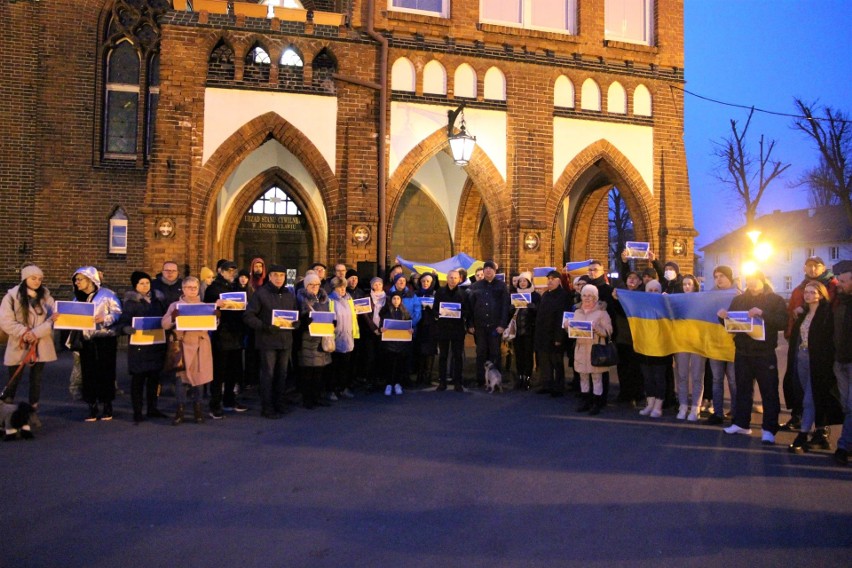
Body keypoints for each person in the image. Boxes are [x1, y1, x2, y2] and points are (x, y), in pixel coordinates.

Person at [719, 271, 787, 444]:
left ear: (762, 280)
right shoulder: (739, 299)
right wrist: (724, 318)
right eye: (748, 279)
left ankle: (769, 429)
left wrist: (762, 313)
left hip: (764, 353)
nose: (750, 282)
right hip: (742, 352)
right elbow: (733, 325)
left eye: (754, 279)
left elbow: (782, 322)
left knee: (769, 391)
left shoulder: (775, 299)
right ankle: (741, 423)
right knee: (743, 390)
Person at [781, 256, 839, 432]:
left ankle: (821, 430)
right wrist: (789, 331)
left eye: (816, 266)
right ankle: (798, 418)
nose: (812, 269)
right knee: (797, 383)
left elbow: (833, 314)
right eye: (809, 266)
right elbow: (791, 310)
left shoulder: (832, 285)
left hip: (821, 346)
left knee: (819, 389)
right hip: (799, 343)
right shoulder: (800, 287)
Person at [786, 280, 844, 453]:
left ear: (821, 294)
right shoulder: (802, 314)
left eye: (813, 292)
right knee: (808, 395)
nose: (808, 295)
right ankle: (820, 433)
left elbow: (829, 340)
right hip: (801, 358)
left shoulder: (826, 313)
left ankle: (802, 435)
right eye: (807, 292)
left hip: (818, 361)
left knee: (809, 399)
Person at [0, 264, 56, 428]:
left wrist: (36, 333)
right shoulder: (11, 297)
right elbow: (6, 321)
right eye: (33, 278)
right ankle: (5, 414)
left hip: (41, 343)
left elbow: (53, 319)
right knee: (13, 379)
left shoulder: (46, 297)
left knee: (36, 380)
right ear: (25, 278)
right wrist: (25, 333)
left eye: (40, 279)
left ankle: (32, 413)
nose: (37, 281)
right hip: (19, 342)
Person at [243, 264, 299, 419]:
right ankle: (267, 407)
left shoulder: (289, 294)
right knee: (268, 374)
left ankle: (279, 403)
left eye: (281, 275)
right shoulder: (261, 293)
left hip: (285, 340)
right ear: (270, 276)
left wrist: (297, 323)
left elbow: (295, 314)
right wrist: (265, 327)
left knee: (282, 374)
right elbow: (249, 316)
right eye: (275, 275)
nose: (279, 278)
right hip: (267, 341)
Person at [71, 266, 122, 422]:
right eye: (76, 280)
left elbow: (117, 311)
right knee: (89, 373)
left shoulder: (107, 294)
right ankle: (92, 405)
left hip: (105, 338)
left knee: (106, 371)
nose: (77, 283)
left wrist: (105, 319)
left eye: (80, 279)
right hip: (87, 340)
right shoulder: (77, 298)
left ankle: (107, 405)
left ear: (90, 279)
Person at [118, 271, 168, 423]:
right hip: (139, 346)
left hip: (156, 344)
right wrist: (126, 328)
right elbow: (124, 321)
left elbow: (165, 316)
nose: (145, 286)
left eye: (147, 282)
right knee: (138, 380)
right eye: (141, 283)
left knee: (154, 379)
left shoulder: (158, 299)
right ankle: (137, 411)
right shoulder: (130, 302)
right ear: (135, 286)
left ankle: (152, 408)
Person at [162, 276, 213, 425]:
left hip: (200, 345)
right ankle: (180, 409)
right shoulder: (175, 305)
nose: (192, 290)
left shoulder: (204, 305)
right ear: (183, 289)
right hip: (182, 345)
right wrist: (172, 318)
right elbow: (164, 324)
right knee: (181, 380)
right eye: (189, 287)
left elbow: (211, 325)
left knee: (199, 379)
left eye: (195, 287)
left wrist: (216, 318)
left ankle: (198, 409)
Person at [204, 259, 248, 419]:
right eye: (229, 270)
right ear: (221, 271)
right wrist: (216, 304)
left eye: (234, 271)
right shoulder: (213, 288)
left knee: (233, 370)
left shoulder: (235, 287)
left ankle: (229, 400)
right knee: (219, 372)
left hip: (236, 334)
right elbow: (207, 308)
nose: (232, 273)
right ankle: (215, 404)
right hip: (221, 335)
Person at [569, 285, 613, 415]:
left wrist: (597, 328)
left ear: (595, 297)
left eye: (590, 296)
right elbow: (574, 331)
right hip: (581, 348)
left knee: (596, 377)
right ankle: (585, 401)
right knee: (583, 376)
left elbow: (609, 331)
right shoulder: (577, 312)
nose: (587, 298)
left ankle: (597, 403)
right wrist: (567, 327)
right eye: (584, 295)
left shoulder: (602, 313)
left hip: (595, 349)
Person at [466, 260, 510, 387]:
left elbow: (505, 306)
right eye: (486, 269)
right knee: (481, 352)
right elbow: (470, 307)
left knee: (495, 352)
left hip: (495, 326)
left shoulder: (501, 286)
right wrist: (470, 324)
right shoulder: (475, 286)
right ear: (483, 271)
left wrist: (502, 324)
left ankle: (496, 380)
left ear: (495, 272)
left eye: (491, 269)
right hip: (479, 326)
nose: (488, 271)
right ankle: (481, 379)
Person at [706, 265, 738, 425]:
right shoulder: (709, 295)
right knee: (717, 380)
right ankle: (718, 413)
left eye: (722, 276)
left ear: (729, 277)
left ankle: (736, 413)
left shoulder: (739, 295)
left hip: (732, 344)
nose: (719, 279)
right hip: (715, 343)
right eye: (716, 276)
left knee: (733, 380)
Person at [296, 272, 332, 409]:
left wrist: (332, 322)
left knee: (320, 370)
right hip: (307, 338)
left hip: (322, 338)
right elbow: (298, 319)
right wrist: (306, 321)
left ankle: (317, 397)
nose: (315, 287)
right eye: (312, 284)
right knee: (308, 371)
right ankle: (308, 399)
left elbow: (327, 313)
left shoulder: (324, 298)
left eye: (317, 284)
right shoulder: (301, 299)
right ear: (306, 285)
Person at [674, 274, 707, 421]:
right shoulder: (678, 300)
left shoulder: (701, 300)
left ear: (695, 286)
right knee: (681, 375)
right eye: (684, 284)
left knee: (697, 376)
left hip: (697, 343)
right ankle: (682, 405)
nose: (686, 287)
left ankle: (695, 407)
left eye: (689, 284)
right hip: (681, 342)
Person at [636, 280, 671, 418]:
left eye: (656, 290)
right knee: (648, 377)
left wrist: (668, 303)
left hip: (661, 348)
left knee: (659, 377)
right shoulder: (640, 306)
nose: (653, 293)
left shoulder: (665, 305)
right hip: (644, 347)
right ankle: (650, 404)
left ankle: (658, 406)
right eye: (650, 290)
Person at [534, 270, 571, 396]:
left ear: (558, 281)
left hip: (555, 335)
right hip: (543, 334)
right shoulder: (545, 295)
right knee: (545, 362)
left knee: (556, 362)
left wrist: (559, 337)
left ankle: (559, 386)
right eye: (548, 279)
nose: (550, 281)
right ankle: (547, 384)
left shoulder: (563, 296)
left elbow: (562, 317)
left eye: (552, 279)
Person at [830, 260, 852, 465]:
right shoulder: (839, 303)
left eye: (843, 281)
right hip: (840, 361)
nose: (839, 284)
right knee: (846, 406)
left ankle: (843, 446)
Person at [433, 269, 468, 392]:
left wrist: (458, 313)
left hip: (457, 329)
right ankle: (442, 382)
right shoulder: (440, 292)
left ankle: (458, 382)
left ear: (459, 279)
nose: (453, 280)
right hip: (443, 328)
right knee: (443, 356)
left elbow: (467, 310)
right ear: (447, 278)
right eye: (451, 277)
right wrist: (439, 313)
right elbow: (435, 309)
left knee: (458, 356)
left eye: (455, 278)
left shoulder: (463, 294)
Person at [328, 276, 358, 400]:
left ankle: (343, 387)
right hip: (335, 338)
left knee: (345, 366)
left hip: (348, 337)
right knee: (334, 367)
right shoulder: (330, 300)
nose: (342, 289)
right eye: (339, 287)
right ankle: (333, 390)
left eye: (344, 287)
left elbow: (353, 318)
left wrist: (353, 333)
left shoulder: (349, 299)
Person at [379, 290, 412, 396]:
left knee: (399, 364)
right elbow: (381, 324)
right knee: (389, 363)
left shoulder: (404, 312)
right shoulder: (385, 311)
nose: (396, 300)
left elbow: (409, 324)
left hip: (401, 344)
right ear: (391, 300)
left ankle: (397, 383)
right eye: (394, 298)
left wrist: (411, 330)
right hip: (389, 344)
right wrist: (381, 329)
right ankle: (388, 384)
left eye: (398, 298)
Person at [511, 271, 540, 391]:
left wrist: (534, 308)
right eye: (520, 281)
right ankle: (520, 377)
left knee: (528, 355)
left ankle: (528, 378)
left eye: (525, 281)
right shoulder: (513, 295)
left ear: (529, 282)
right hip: (517, 331)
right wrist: (510, 309)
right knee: (518, 355)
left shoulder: (535, 295)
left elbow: (539, 312)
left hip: (529, 331)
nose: (522, 283)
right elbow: (509, 314)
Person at [413, 272, 438, 387]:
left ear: (432, 282)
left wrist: (432, 309)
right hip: (419, 325)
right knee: (419, 351)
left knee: (430, 352)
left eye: (428, 281)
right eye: (423, 281)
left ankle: (428, 377)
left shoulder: (435, 294)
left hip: (432, 326)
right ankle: (419, 376)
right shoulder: (416, 294)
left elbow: (440, 311)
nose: (425, 283)